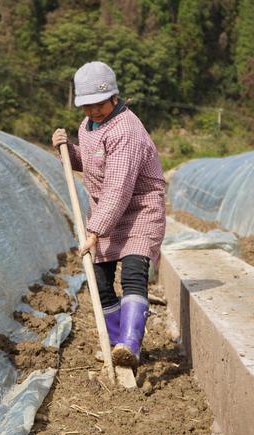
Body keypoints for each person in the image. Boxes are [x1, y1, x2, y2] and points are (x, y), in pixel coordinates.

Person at [51, 61, 166, 368]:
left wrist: (94, 231)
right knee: (100, 282)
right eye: (86, 107)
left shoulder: (126, 130)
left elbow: (118, 188)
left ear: (114, 97)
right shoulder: (87, 126)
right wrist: (66, 150)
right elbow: (91, 162)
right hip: (106, 213)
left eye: (98, 105)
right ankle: (117, 344)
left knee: (132, 274)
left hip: (139, 210)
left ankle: (130, 343)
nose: (93, 112)